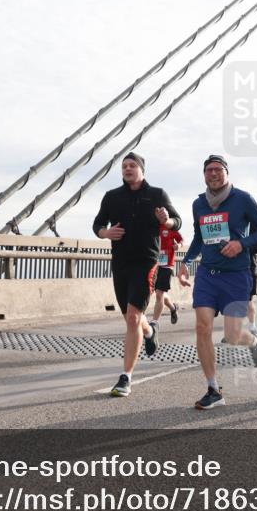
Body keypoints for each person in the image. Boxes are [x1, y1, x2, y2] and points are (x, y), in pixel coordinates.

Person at [179, 155, 257, 409]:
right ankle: (213, 389)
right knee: (202, 326)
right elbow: (198, 237)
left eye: (218, 169)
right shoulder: (199, 204)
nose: (213, 174)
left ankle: (253, 342)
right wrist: (186, 262)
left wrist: (241, 243)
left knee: (232, 336)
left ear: (227, 173)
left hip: (236, 275)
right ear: (204, 175)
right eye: (209, 170)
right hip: (208, 274)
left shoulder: (242, 199)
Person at [93, 152, 181, 398]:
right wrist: (104, 233)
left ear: (142, 170)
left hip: (146, 263)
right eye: (124, 166)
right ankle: (151, 332)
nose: (127, 169)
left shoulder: (157, 195)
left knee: (133, 318)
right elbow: (98, 223)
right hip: (120, 264)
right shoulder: (112, 197)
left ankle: (125, 378)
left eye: (132, 165)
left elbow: (178, 220)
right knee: (132, 318)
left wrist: (168, 221)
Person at [152, 223, 183, 326]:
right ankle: (173, 308)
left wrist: (178, 245)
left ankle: (154, 324)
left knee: (159, 294)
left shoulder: (170, 226)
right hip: (153, 264)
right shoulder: (152, 225)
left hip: (166, 265)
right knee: (160, 294)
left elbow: (181, 240)